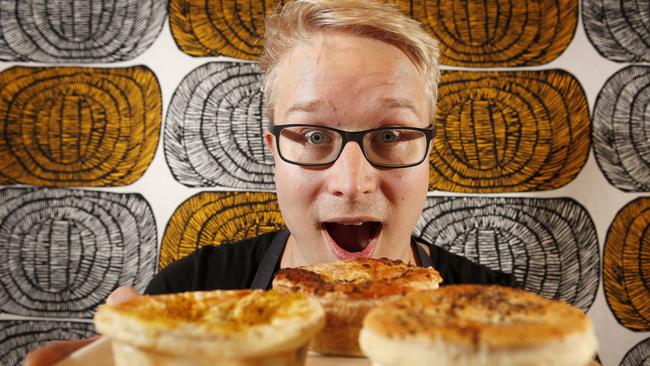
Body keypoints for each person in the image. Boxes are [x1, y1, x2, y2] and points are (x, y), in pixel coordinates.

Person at [25, 1, 514, 364]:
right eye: (314, 135)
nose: (352, 182)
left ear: (428, 148)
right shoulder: (190, 298)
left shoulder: (507, 317)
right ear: (271, 149)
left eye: (390, 134)